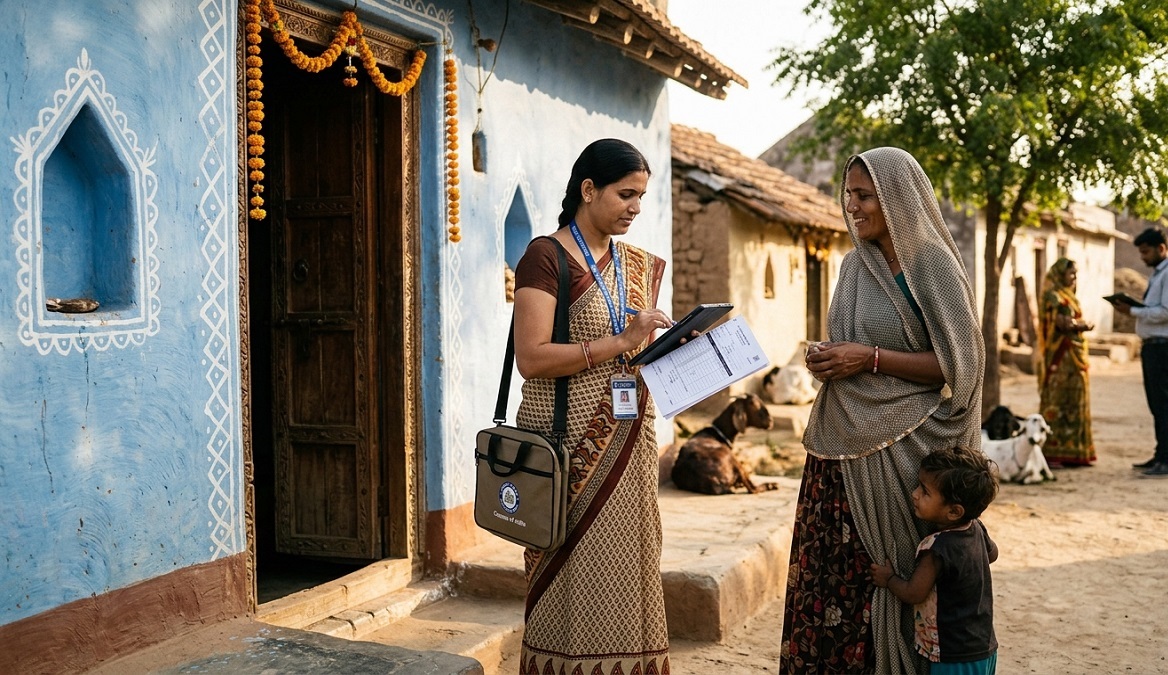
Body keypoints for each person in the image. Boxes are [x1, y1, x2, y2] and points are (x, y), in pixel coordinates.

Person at [780, 147, 985, 674]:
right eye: (848, 194)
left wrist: (867, 359)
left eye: (864, 195)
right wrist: (830, 358)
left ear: (897, 197)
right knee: (828, 581)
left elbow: (956, 362)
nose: (852, 206)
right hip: (839, 449)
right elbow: (848, 345)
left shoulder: (933, 266)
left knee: (889, 576)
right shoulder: (854, 267)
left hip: (903, 449)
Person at [511, 138, 676, 674]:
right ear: (588, 189)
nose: (635, 206)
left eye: (642, 197)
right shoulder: (546, 256)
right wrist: (620, 341)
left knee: (629, 575)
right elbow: (531, 358)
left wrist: (670, 346)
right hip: (565, 453)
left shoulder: (636, 266)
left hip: (629, 449)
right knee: (570, 583)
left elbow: (634, 349)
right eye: (625, 193)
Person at [870, 448, 1000, 674]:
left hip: (953, 654)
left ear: (954, 512)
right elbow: (993, 554)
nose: (914, 494)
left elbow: (914, 593)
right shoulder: (976, 528)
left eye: (925, 491)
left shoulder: (937, 548)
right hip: (984, 645)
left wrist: (888, 578)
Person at [1110, 227, 1168, 476]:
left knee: (1163, 405)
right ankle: (1160, 455)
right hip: (1152, 347)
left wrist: (1132, 311)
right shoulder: (1158, 274)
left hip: (1162, 347)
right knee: (1157, 405)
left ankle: (1165, 460)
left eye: (1145, 252)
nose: (1142, 257)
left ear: (1161, 249)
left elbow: (1164, 311)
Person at [1036, 258, 1096, 467]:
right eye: (1071, 274)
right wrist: (1083, 325)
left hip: (1076, 357)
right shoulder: (1053, 296)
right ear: (1060, 274)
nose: (1074, 278)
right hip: (1060, 355)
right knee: (1057, 399)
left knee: (1076, 399)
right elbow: (1060, 324)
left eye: (1076, 274)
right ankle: (1053, 453)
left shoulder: (1069, 296)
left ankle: (1077, 452)